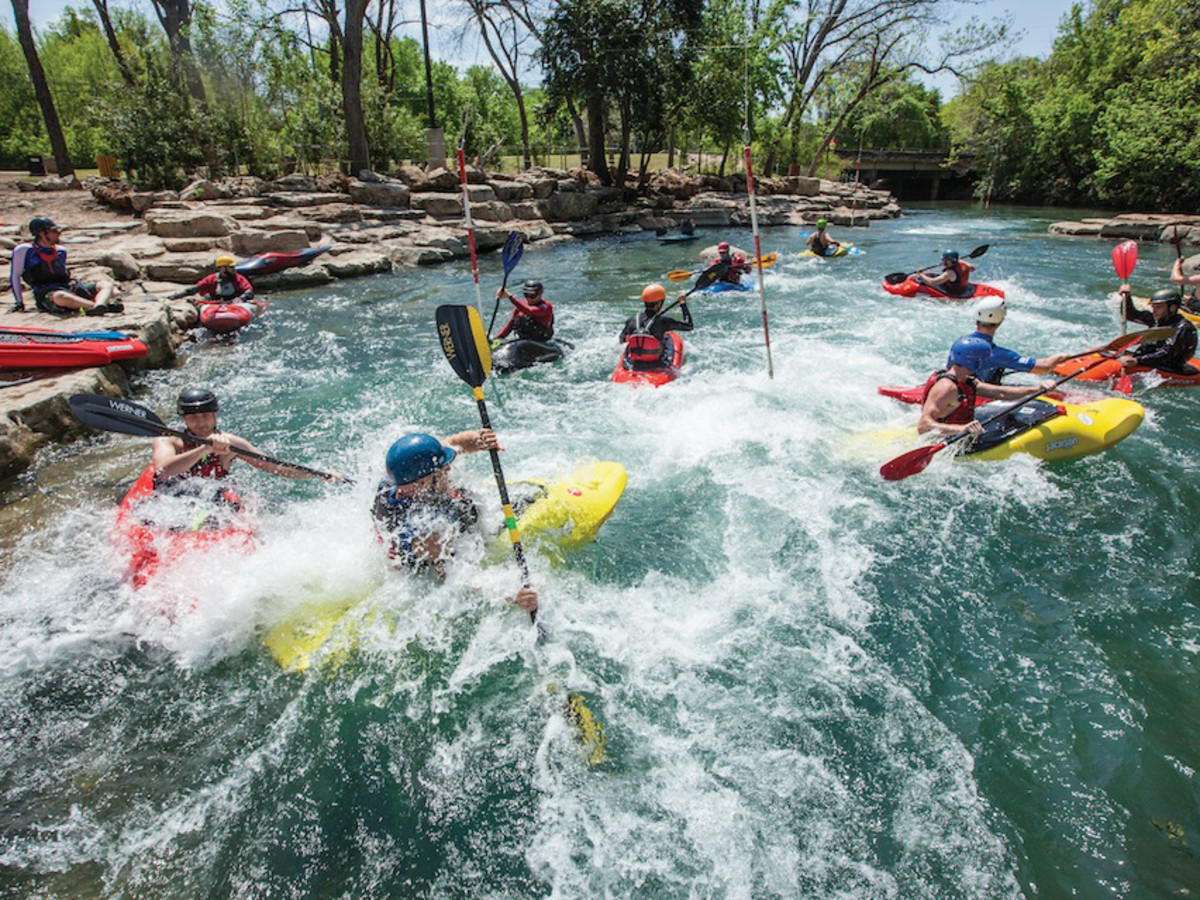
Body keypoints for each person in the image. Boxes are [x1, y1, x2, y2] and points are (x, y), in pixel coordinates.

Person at [371, 430, 538, 613]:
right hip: (424, 563)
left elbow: (452, 443)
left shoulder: (403, 474)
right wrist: (512, 595)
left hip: (446, 512)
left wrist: (478, 440)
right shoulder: (426, 535)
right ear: (420, 484)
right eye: (442, 470)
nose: (449, 468)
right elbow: (456, 577)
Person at [152, 387, 341, 489]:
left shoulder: (230, 443)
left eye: (206, 416)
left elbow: (271, 466)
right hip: (170, 495)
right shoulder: (167, 440)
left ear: (215, 415)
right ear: (184, 418)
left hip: (210, 499)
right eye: (193, 417)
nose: (201, 423)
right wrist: (205, 449)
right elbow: (162, 472)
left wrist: (320, 474)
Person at [919, 336, 1054, 436]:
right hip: (946, 440)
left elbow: (1001, 394)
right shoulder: (947, 388)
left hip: (961, 435)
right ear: (975, 362)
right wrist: (962, 429)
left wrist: (1037, 389)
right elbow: (924, 425)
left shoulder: (966, 379)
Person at [9, 216, 122, 315]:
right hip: (47, 293)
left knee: (105, 284)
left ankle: (99, 305)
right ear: (42, 234)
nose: (58, 234)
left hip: (68, 287)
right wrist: (19, 302)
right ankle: (97, 306)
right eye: (53, 231)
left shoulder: (61, 251)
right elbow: (15, 275)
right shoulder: (24, 250)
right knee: (61, 297)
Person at [959, 297, 1068, 384]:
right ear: (1000, 321)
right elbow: (1043, 368)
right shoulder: (998, 354)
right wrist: (1057, 357)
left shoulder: (960, 343)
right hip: (981, 396)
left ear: (977, 320)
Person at [1116, 285, 1199, 374]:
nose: (1154, 310)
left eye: (1159, 307)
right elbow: (1130, 314)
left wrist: (1137, 361)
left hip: (1170, 366)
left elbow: (1167, 354)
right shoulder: (1156, 320)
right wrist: (1126, 297)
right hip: (1150, 359)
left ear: (1172, 308)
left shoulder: (1184, 328)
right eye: (1153, 307)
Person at [618, 283, 693, 369]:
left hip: (636, 363)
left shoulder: (631, 321)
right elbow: (689, 326)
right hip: (657, 363)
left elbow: (622, 339)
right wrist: (683, 304)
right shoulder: (663, 321)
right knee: (667, 339)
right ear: (659, 303)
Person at [168, 255, 256, 304]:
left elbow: (249, 291)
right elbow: (195, 289)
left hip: (235, 304)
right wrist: (177, 295)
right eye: (231, 267)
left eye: (233, 267)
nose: (234, 269)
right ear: (223, 268)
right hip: (216, 304)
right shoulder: (212, 279)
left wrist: (242, 298)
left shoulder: (239, 279)